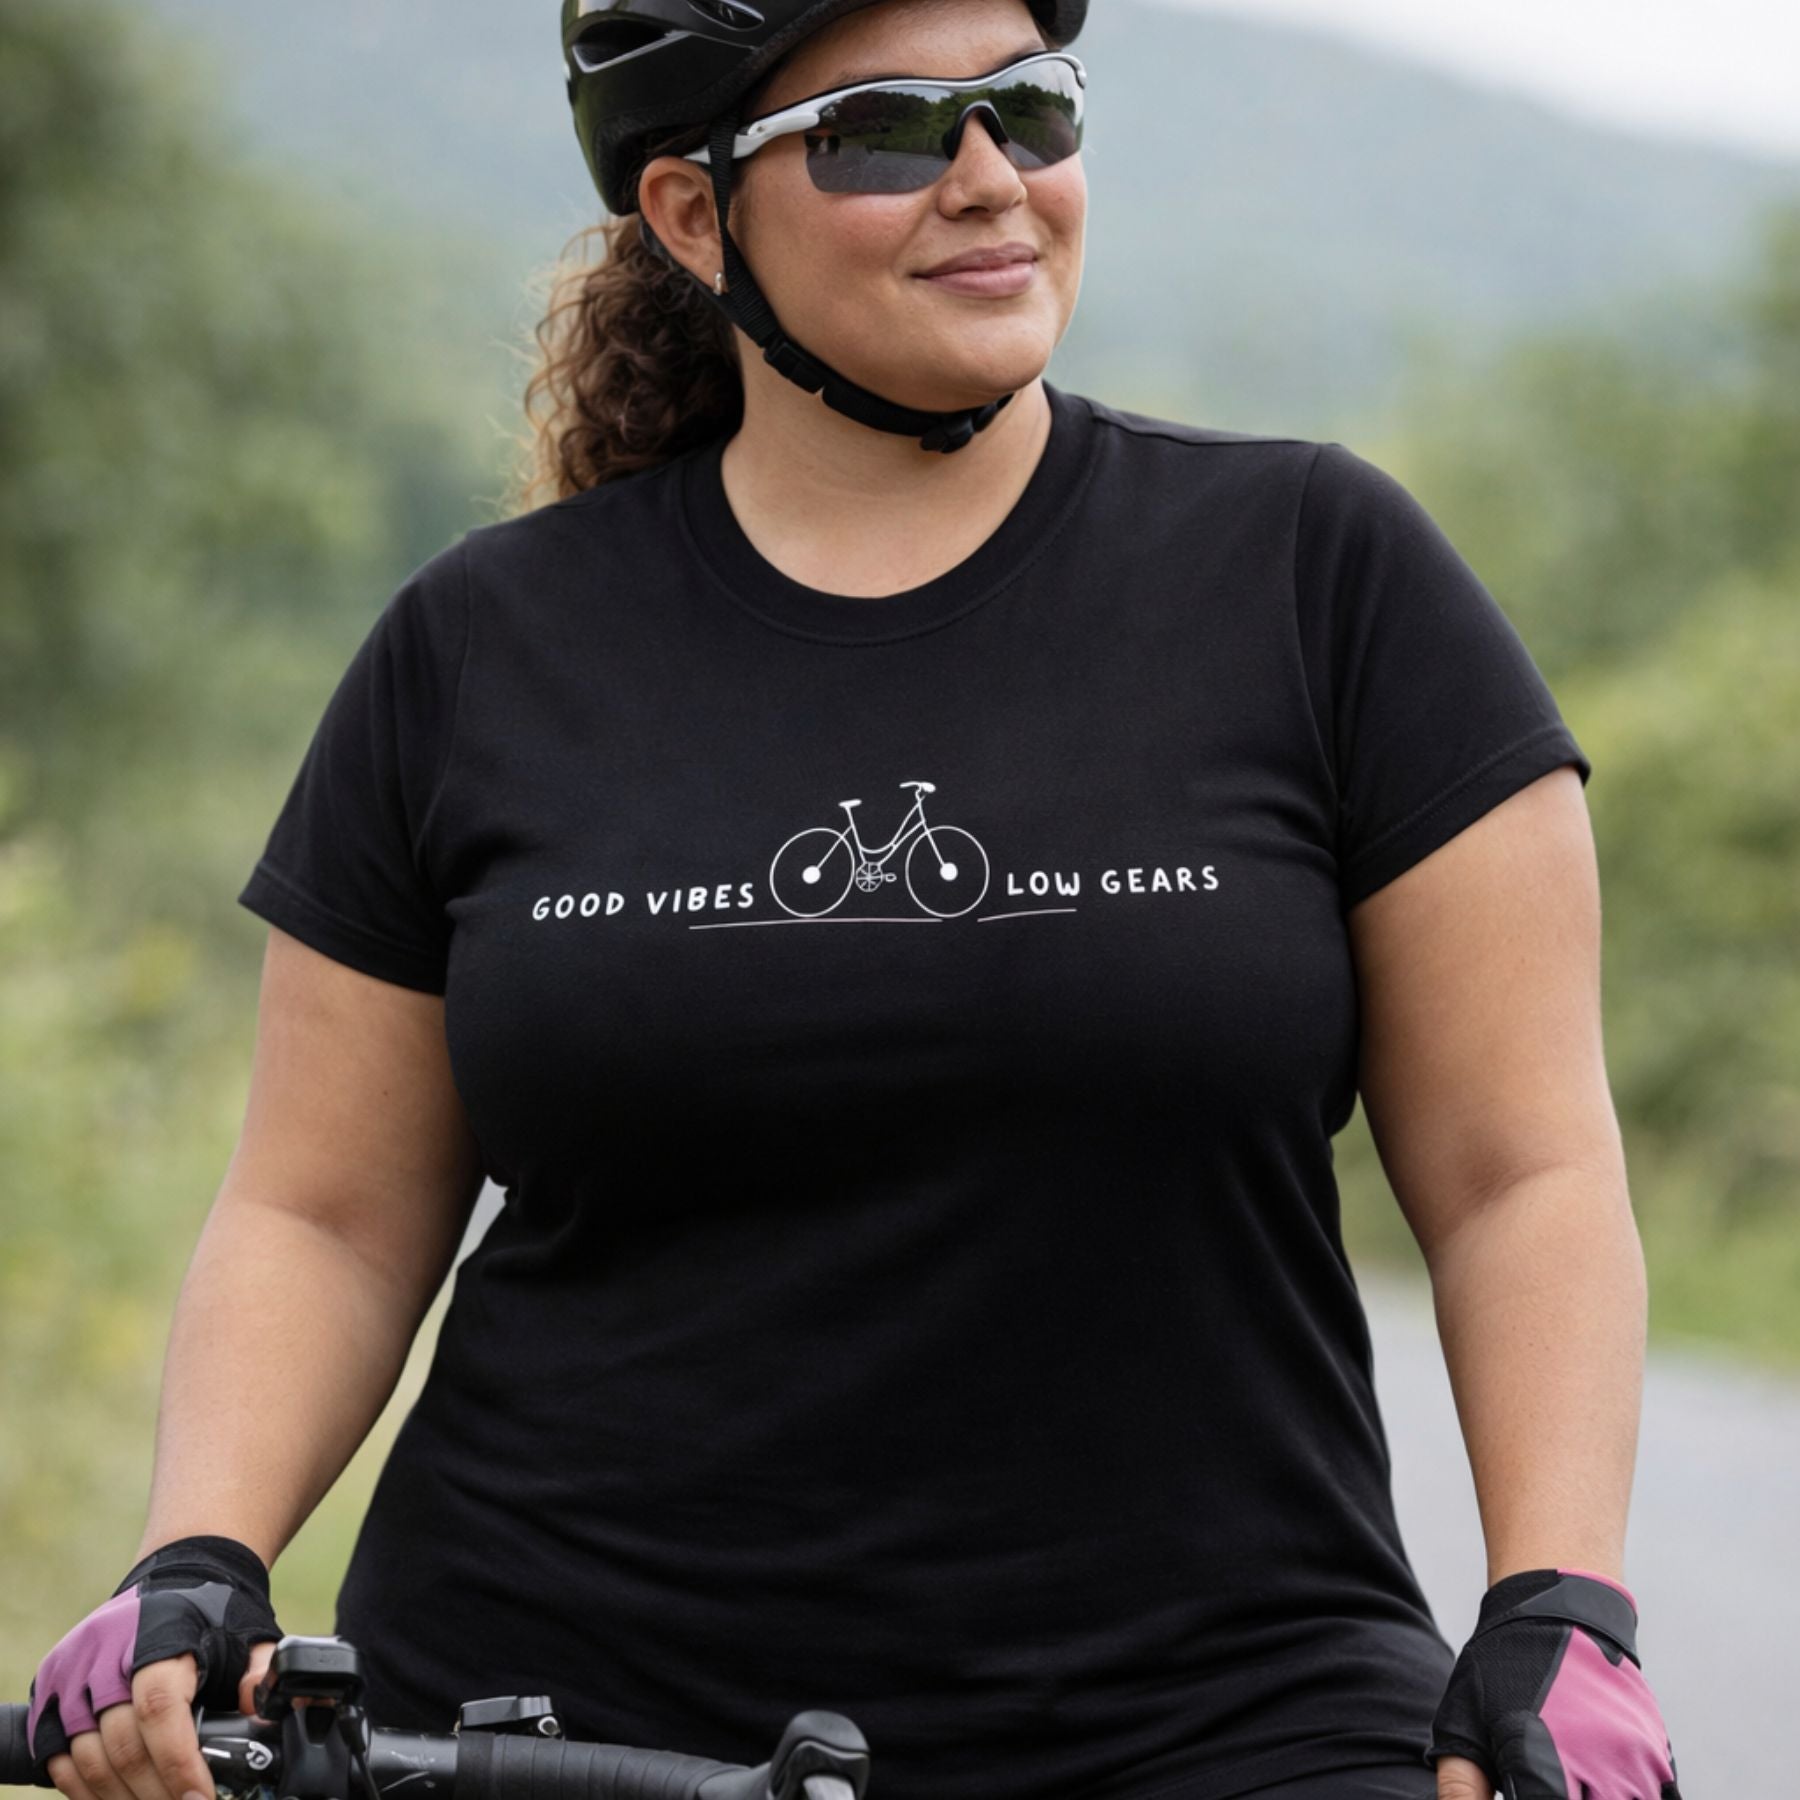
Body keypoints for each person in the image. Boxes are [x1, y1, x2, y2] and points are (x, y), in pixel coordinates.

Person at [25, 2, 1685, 1798]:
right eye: (889, 133)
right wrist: (197, 1558)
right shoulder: (477, 647)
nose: (990, 181)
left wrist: (1559, 1603)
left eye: (1030, 112)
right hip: (546, 1735)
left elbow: (1525, 1167)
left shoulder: (1321, 575)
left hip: (1228, 1724)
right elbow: (324, 1214)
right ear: (689, 216)